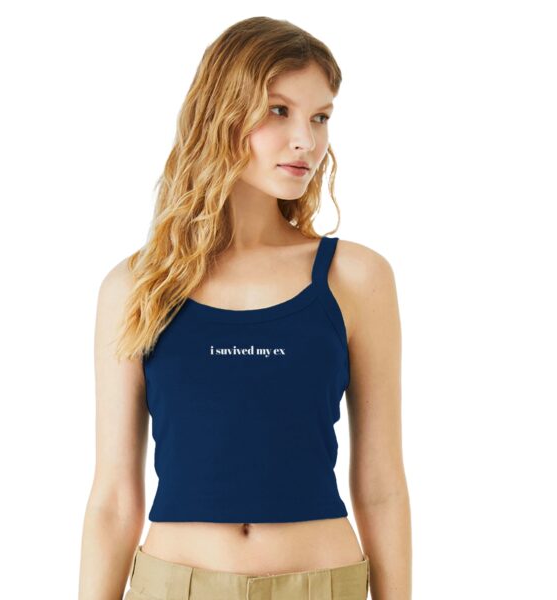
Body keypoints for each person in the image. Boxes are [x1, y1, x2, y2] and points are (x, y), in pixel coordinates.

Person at [78, 16, 411, 600]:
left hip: (322, 585)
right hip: (174, 586)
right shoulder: (137, 285)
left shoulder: (356, 278)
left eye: (320, 117)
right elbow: (113, 499)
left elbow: (381, 485)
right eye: (279, 111)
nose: (306, 140)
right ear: (220, 114)